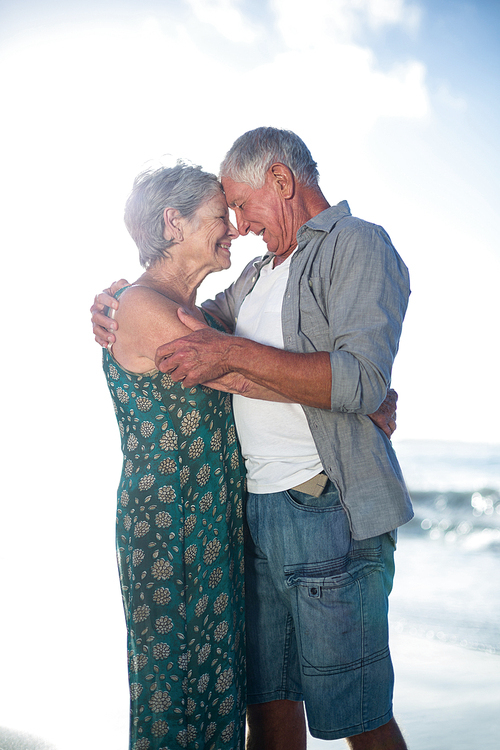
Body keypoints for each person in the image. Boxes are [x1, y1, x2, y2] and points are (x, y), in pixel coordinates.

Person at [92, 128, 411, 750]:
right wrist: (117, 299)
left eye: (241, 206)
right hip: (241, 518)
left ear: (283, 183)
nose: (237, 225)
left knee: (357, 712)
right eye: (225, 211)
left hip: (320, 507)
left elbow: (346, 376)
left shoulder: (359, 244)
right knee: (264, 707)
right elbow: (204, 340)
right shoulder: (259, 274)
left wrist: (356, 397)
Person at [101, 163, 250, 750]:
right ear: (173, 222)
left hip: (212, 527)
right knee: (176, 698)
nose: (232, 229)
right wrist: (346, 395)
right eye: (219, 216)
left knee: (218, 695)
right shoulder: (137, 306)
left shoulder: (206, 315)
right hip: (167, 531)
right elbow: (243, 374)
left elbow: (238, 357)